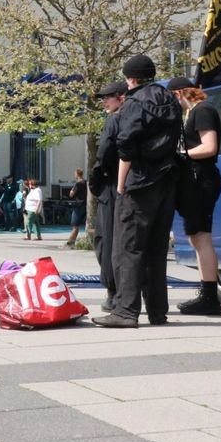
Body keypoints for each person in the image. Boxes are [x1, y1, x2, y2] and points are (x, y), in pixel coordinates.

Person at [95, 54, 182, 329]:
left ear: (130, 78)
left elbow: (126, 143)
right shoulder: (169, 99)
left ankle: (125, 311)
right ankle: (158, 311)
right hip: (167, 181)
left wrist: (121, 184)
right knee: (156, 249)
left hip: (141, 181)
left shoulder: (135, 102)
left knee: (128, 247)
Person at [169, 75, 221, 316]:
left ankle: (210, 297)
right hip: (198, 180)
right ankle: (207, 294)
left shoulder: (203, 110)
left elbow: (209, 146)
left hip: (202, 180)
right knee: (197, 237)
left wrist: (182, 154)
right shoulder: (196, 112)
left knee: (201, 237)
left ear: (178, 94)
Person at [89, 80, 127, 312]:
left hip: (113, 187)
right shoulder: (136, 117)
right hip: (133, 186)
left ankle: (113, 292)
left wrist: (96, 180)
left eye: (108, 96)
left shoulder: (114, 120)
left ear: (120, 97)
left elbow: (103, 153)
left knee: (106, 240)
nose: (104, 101)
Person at [66, 168, 88, 247]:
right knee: (80, 225)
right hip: (85, 205)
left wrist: (71, 191)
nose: (74, 175)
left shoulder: (78, 184)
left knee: (75, 225)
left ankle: (70, 243)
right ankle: (73, 242)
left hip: (78, 206)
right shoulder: (86, 182)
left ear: (77, 174)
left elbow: (71, 194)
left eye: (74, 174)